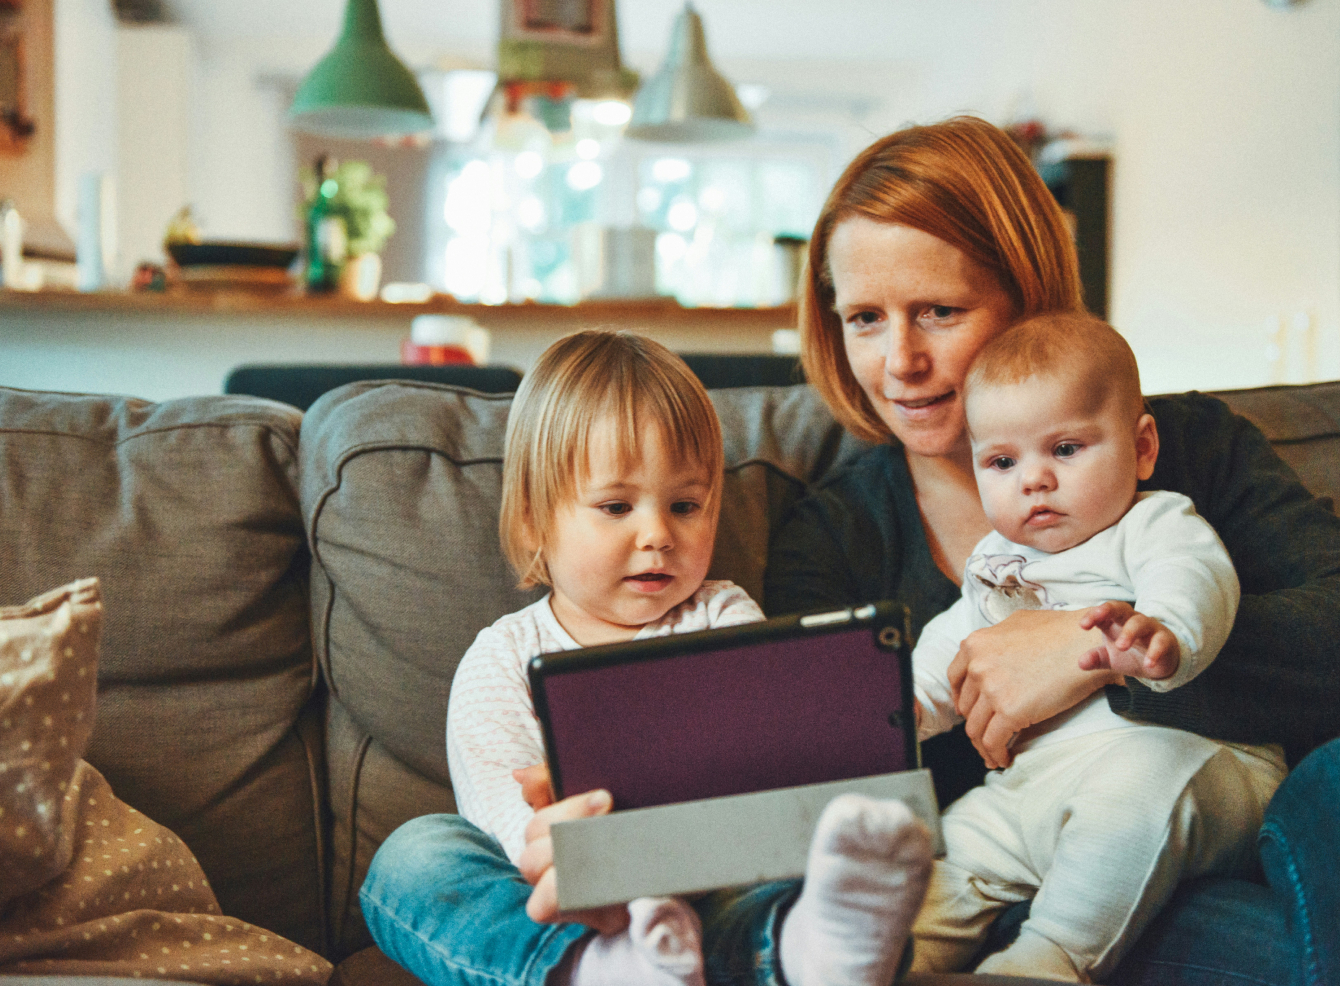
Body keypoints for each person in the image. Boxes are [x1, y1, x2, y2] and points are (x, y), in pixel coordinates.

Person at [755, 115, 1340, 984]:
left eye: (939, 313)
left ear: (1028, 296)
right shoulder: (836, 535)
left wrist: (1089, 648)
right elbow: (831, 777)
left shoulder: (1186, 452)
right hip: (1000, 880)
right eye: (866, 319)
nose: (901, 361)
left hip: (1213, 843)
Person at [362, 329, 936, 986]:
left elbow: (766, 763)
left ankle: (811, 951)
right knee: (414, 856)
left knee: (809, 866)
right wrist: (583, 858)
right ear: (531, 521)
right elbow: (504, 822)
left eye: (685, 505)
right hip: (570, 904)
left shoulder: (723, 615)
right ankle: (600, 969)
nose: (659, 534)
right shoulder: (501, 657)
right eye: (616, 506)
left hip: (712, 883)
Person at [906, 311, 1285, 980]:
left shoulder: (1153, 521)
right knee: (953, 845)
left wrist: (1163, 632)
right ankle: (893, 958)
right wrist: (905, 706)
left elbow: (1195, 578)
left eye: (1066, 449)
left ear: (1141, 448)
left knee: (1130, 796)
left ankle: (1046, 959)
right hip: (1034, 787)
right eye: (1002, 461)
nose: (1034, 480)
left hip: (1188, 765)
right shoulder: (998, 559)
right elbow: (955, 643)